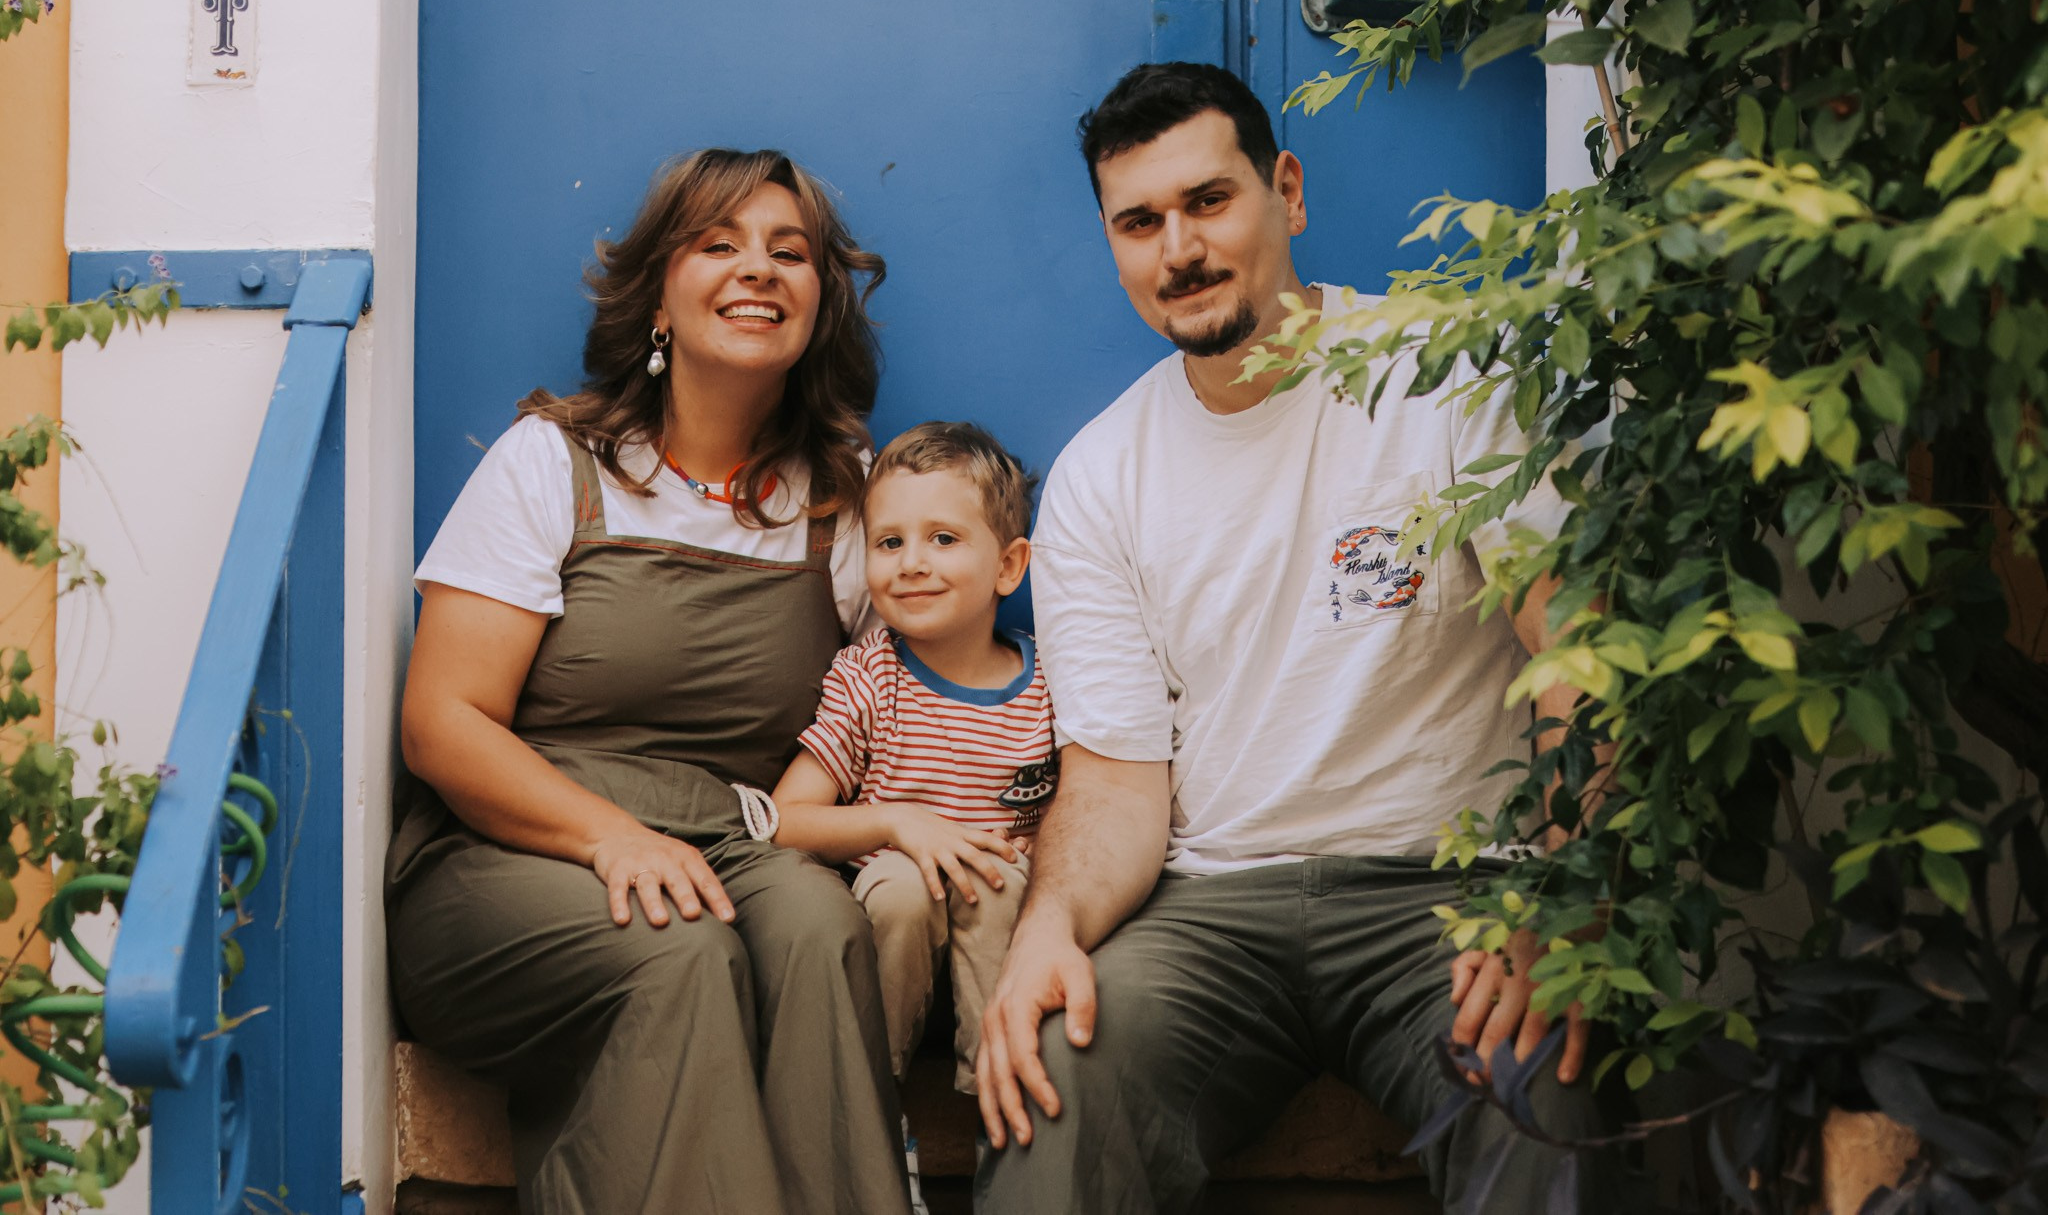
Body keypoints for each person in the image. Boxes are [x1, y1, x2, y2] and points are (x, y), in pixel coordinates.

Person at [972, 63, 1608, 1214]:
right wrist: (1046, 931)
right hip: (1215, 912)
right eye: (1139, 222)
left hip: (1449, 892)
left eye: (1208, 201)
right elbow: (1114, 787)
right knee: (1054, 1081)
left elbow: (1576, 653)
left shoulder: (1449, 376)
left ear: (1286, 192)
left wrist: (1559, 899)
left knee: (1537, 1080)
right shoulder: (1099, 480)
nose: (1179, 249)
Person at [385, 148, 911, 1215]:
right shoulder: (553, 463)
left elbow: (893, 712)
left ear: (818, 302)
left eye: (788, 252)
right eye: (715, 245)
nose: (756, 270)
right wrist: (608, 837)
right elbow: (443, 724)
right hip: (510, 853)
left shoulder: (844, 509)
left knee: (817, 934)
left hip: (737, 838)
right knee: (678, 953)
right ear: (657, 297)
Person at [766, 421, 1056, 1098]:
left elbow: (1080, 804)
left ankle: (996, 1085)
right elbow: (785, 818)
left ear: (1009, 566)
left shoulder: (1050, 683)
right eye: (889, 542)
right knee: (900, 886)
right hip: (896, 926)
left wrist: (1039, 843)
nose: (912, 562)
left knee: (1000, 880)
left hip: (995, 930)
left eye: (944, 539)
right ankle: (874, 1101)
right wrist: (896, 822)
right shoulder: (870, 676)